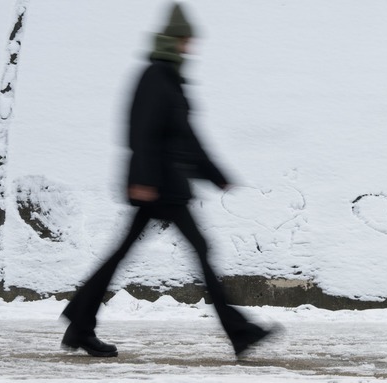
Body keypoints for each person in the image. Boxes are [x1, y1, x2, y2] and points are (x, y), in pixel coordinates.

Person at [61, 3, 276, 358]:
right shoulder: (155, 76)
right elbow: (141, 131)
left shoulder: (170, 79)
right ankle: (240, 333)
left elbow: (186, 137)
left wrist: (214, 175)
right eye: (187, 40)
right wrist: (144, 180)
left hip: (167, 185)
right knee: (198, 252)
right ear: (174, 39)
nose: (190, 47)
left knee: (123, 254)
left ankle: (79, 325)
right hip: (158, 187)